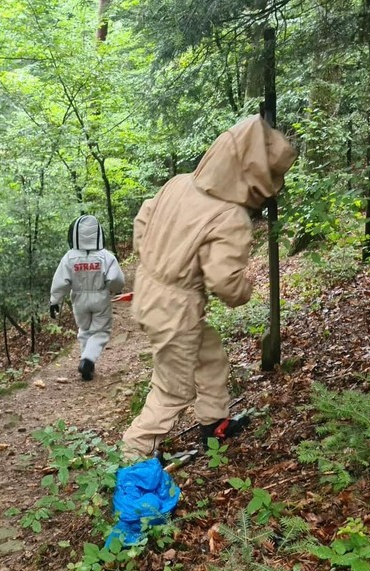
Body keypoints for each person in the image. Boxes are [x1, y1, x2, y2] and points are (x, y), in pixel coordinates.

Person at [121, 116, 297, 460]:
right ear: (254, 174)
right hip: (175, 308)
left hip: (148, 292)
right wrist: (244, 288)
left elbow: (142, 220)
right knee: (173, 388)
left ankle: (214, 422)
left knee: (210, 353)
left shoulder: (179, 183)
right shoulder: (230, 216)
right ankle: (133, 456)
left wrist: (157, 262)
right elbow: (224, 282)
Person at [50, 215, 125, 381]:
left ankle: (87, 366)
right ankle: (88, 360)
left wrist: (54, 301)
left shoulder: (69, 257)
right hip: (100, 297)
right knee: (101, 331)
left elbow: (61, 281)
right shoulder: (106, 256)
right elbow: (117, 280)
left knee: (84, 330)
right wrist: (114, 290)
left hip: (79, 299)